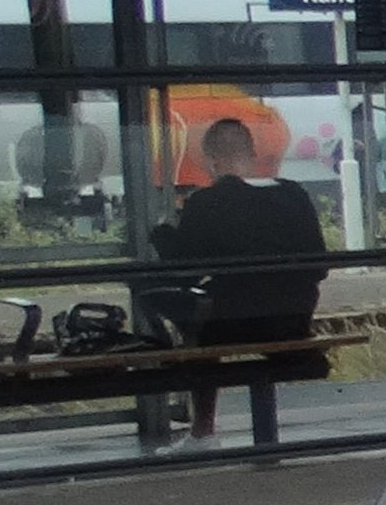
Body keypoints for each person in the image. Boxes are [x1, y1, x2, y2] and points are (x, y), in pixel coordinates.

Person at [135, 117, 329, 348]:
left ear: (212, 160)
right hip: (293, 320)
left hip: (228, 323)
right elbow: (319, 268)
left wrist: (162, 234)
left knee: (143, 288)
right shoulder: (294, 194)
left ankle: (184, 362)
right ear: (253, 154)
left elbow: (185, 271)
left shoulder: (207, 202)